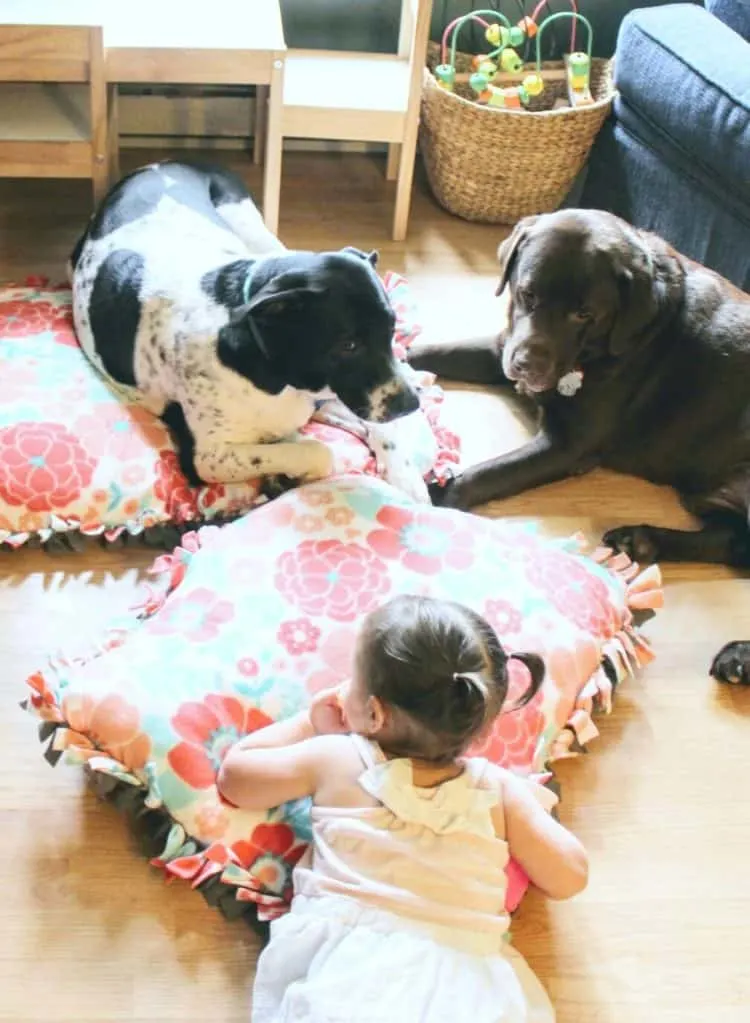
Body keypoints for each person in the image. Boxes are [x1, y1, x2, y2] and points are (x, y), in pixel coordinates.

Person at [218, 594, 589, 1023]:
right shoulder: (499, 790)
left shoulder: (337, 758)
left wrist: (307, 723)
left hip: (350, 976)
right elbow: (570, 877)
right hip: (466, 989)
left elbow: (237, 779)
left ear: (373, 713)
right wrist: (528, 809)